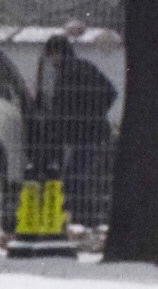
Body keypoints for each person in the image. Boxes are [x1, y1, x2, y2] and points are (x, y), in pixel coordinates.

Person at [30, 34, 118, 226]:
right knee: (81, 178)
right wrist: (95, 112)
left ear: (58, 53)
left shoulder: (65, 76)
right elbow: (110, 92)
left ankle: (80, 219)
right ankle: (82, 218)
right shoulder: (85, 67)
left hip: (81, 136)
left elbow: (61, 110)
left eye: (52, 55)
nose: (51, 60)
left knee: (75, 179)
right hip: (93, 132)